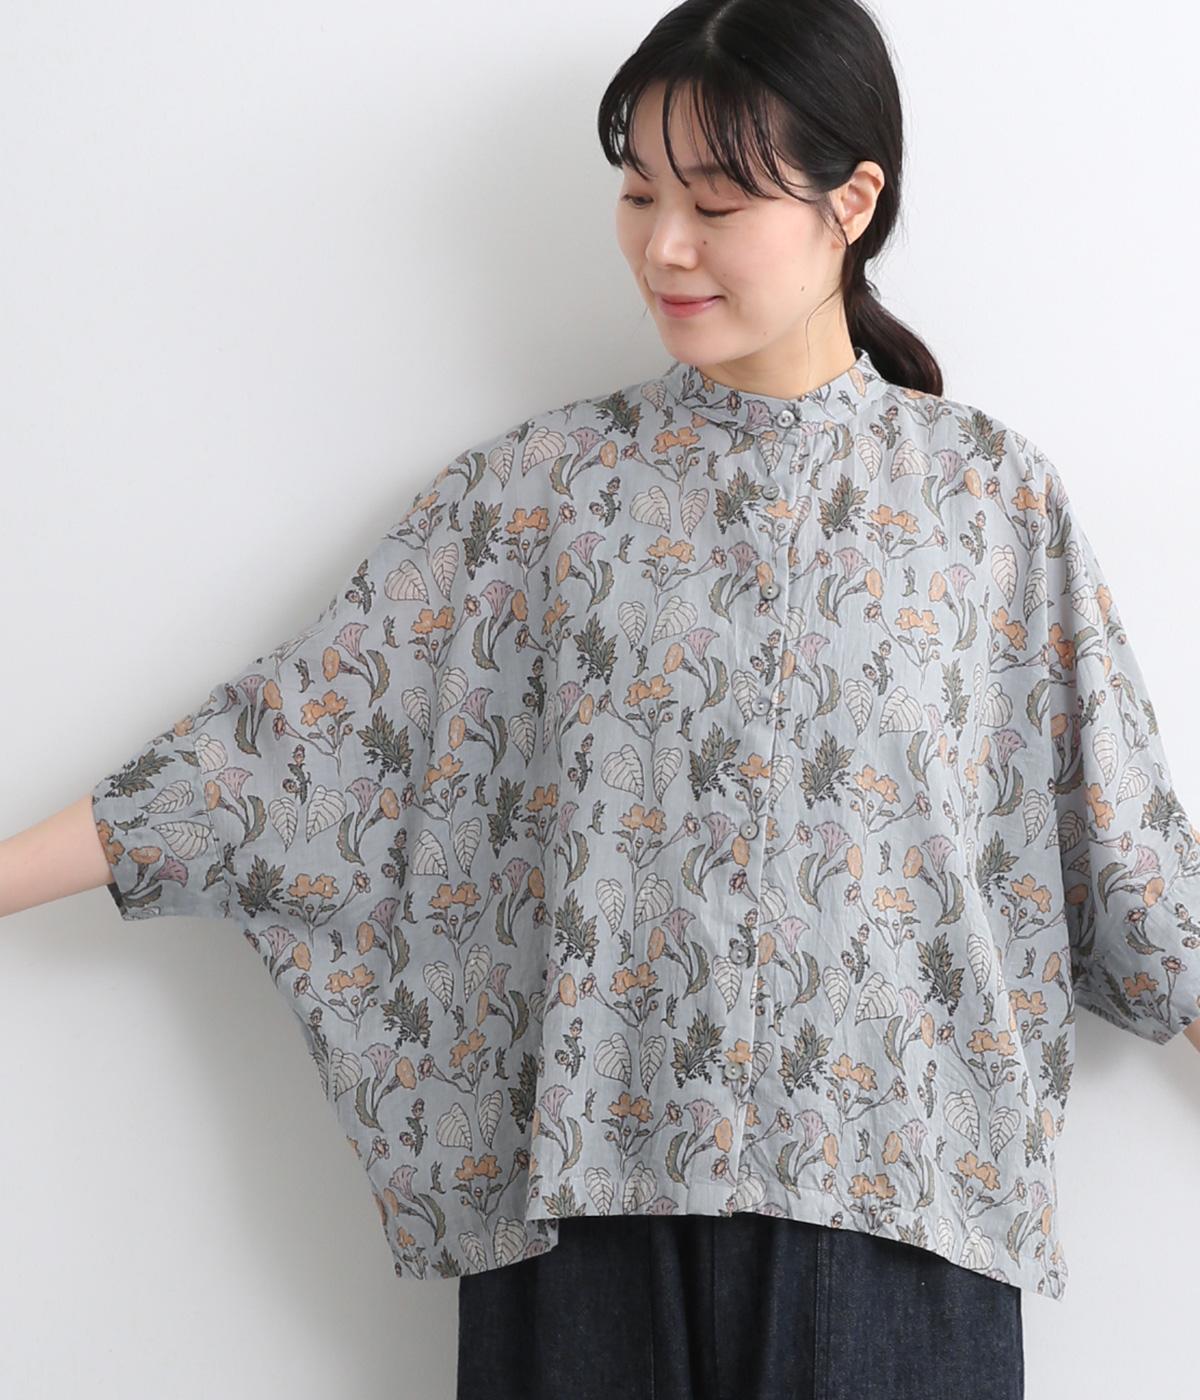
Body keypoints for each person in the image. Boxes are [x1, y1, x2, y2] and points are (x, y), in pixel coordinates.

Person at [5, 2, 1199, 1396]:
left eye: (715, 204)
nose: (664, 247)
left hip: (901, 1221)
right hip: (591, 1214)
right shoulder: (538, 496)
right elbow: (288, 750)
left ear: (851, 202)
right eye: (638, 194)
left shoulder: (991, 503)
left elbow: (1129, 863)